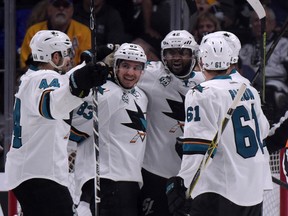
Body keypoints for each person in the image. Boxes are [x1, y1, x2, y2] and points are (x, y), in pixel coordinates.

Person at [4, 30, 108, 216]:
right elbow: (52, 106)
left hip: (30, 172)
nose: (70, 58)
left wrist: (87, 64)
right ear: (54, 56)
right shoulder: (44, 78)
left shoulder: (34, 77)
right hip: (40, 173)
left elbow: (65, 83)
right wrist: (81, 82)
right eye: (67, 53)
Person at [166, 36, 272, 216]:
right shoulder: (248, 89)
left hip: (219, 191)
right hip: (253, 190)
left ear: (201, 61)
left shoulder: (201, 93)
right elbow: (263, 131)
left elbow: (197, 149)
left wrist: (183, 185)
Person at [68, 43, 148, 216]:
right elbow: (73, 134)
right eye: (125, 66)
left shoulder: (141, 96)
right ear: (115, 66)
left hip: (130, 184)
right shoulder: (104, 94)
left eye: (136, 67)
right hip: (106, 182)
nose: (130, 73)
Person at [137, 30, 205, 216]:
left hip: (191, 176)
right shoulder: (149, 74)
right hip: (154, 172)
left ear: (193, 54)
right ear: (162, 55)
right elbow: (121, 68)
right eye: (170, 52)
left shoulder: (206, 82)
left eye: (182, 52)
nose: (176, 58)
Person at [239, 5, 288, 123]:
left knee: (271, 93)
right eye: (255, 21)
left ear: (273, 23)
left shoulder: (283, 44)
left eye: (262, 20)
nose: (258, 24)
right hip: (250, 86)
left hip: (276, 85)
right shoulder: (245, 48)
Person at [19, 0, 91, 70]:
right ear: (49, 9)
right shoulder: (34, 31)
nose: (61, 8)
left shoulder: (83, 32)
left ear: (72, 10)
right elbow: (26, 66)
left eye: (66, 5)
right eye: (57, 4)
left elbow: (85, 65)